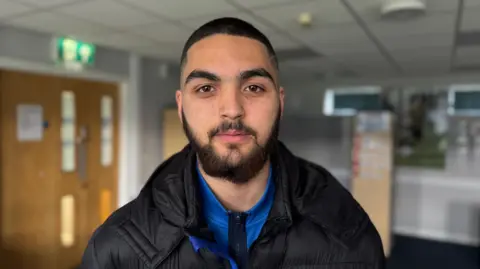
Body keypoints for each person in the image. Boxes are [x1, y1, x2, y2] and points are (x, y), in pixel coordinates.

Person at [81, 17, 385, 269]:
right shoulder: (115, 250)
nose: (232, 108)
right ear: (181, 106)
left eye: (253, 87)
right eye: (205, 88)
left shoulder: (349, 238)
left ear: (280, 102)